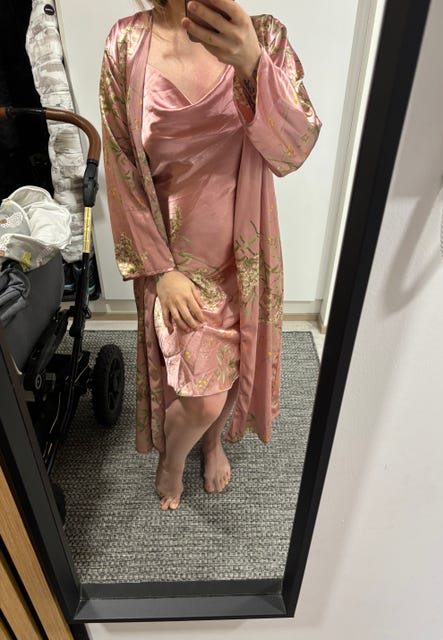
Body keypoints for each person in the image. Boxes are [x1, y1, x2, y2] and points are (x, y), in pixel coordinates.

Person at [99, 0, 321, 511]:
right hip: (177, 263)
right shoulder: (125, 45)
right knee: (201, 397)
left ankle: (213, 442)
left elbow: (294, 148)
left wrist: (251, 64)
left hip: (246, 258)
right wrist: (160, 269)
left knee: (234, 367)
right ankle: (172, 459)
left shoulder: (263, 36)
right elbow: (120, 165)